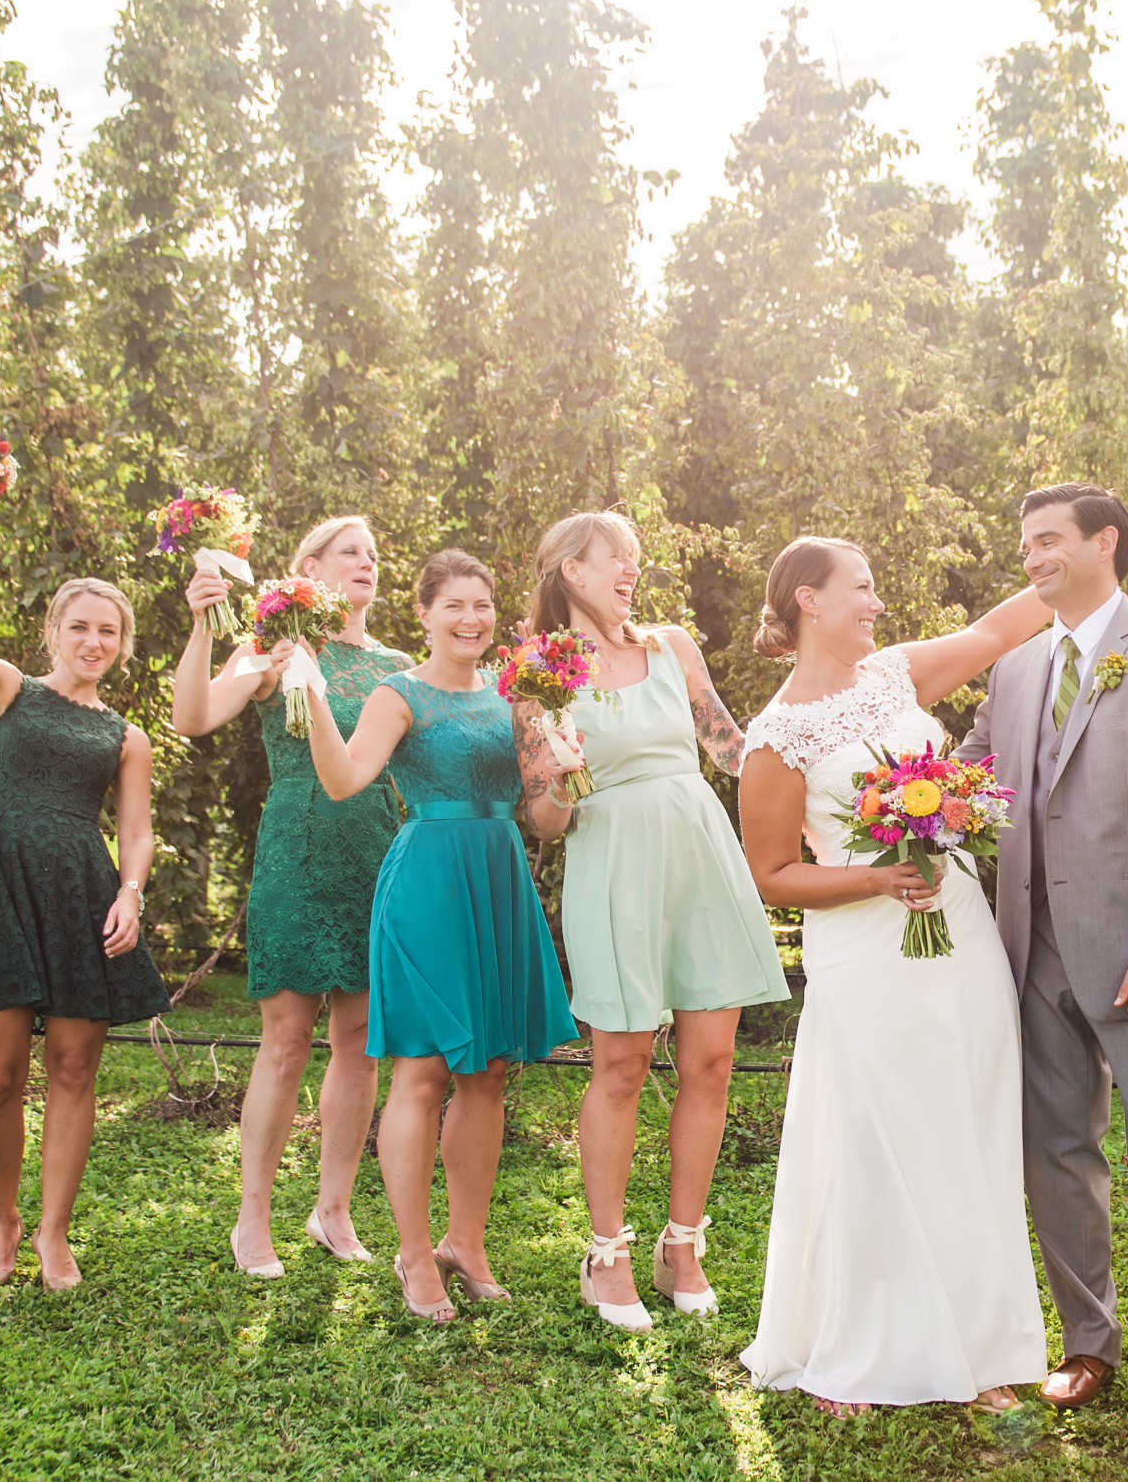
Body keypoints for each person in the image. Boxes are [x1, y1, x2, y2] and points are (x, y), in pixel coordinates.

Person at [734, 536, 1066, 1416]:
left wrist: (1077, 572)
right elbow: (769, 872)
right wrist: (876, 878)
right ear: (809, 598)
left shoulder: (894, 675)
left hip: (956, 927)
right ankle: (856, 1347)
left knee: (967, 1120)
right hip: (864, 946)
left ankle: (984, 1351)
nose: (877, 603)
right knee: (873, 1133)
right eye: (863, 588)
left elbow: (998, 630)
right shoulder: (778, 735)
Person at [958, 482, 1128, 1428]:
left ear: (1104, 543)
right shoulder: (1018, 668)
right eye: (1025, 542)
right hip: (1030, 953)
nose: (1032, 558)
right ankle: (1088, 1341)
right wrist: (896, 796)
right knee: (1055, 1152)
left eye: (1047, 541)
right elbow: (972, 781)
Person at [513, 511, 789, 1331]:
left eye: (635, 560)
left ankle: (684, 1247)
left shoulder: (673, 647)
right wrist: (558, 777)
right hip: (614, 860)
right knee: (623, 1063)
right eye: (615, 560)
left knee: (711, 1060)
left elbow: (730, 747)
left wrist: (823, 775)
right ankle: (606, 1256)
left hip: (700, 852)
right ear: (570, 570)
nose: (632, 572)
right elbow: (545, 822)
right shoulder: (539, 674)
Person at [306, 548, 578, 1323]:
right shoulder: (399, 695)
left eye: (482, 605)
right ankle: (415, 1253)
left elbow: (548, 824)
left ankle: (468, 1242)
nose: (470, 619)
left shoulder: (518, 695)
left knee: (488, 1072)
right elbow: (343, 780)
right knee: (421, 1074)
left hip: (500, 879)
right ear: (423, 614)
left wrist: (561, 766)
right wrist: (314, 696)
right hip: (428, 883)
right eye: (453, 605)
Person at [0, 509, 165, 1291]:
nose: (94, 643)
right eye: (80, 627)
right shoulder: (5, 689)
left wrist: (131, 892)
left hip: (83, 897)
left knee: (76, 1070)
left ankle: (54, 1233)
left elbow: (138, 831)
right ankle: (4, 1224)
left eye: (109, 632)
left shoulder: (125, 734)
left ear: (121, 645)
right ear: (54, 629)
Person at [171, 516, 410, 1278]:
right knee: (284, 1040)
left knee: (361, 1040)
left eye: (373, 554)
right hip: (298, 850)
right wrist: (205, 628)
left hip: (378, 852)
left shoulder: (399, 666)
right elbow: (193, 717)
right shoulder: (273, 650)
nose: (367, 564)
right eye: (350, 553)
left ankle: (333, 1210)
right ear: (308, 567)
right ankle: (253, 1218)